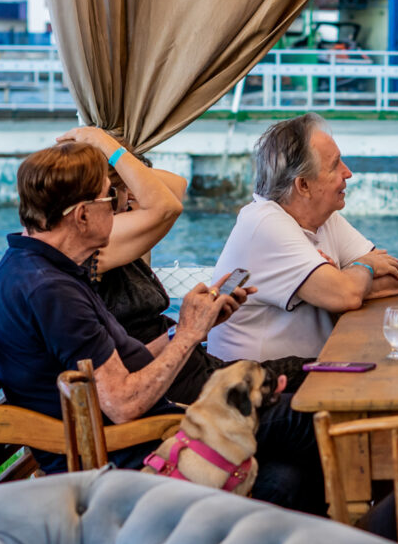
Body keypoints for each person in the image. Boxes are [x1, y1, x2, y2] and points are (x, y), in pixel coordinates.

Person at [0, 143, 325, 515]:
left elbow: (121, 368)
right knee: (313, 420)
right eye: (108, 197)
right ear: (81, 216)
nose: (117, 206)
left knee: (292, 471)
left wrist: (197, 326)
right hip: (139, 456)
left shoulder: (38, 269)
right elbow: (124, 404)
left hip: (152, 436)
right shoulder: (50, 291)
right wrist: (190, 334)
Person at [56, 127, 310, 403]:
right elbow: (167, 204)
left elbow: (175, 186)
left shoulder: (116, 231)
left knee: (311, 371)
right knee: (308, 386)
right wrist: (105, 146)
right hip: (167, 386)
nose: (131, 199)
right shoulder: (95, 244)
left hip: (183, 366)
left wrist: (114, 158)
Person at [207, 113, 398, 362]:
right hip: (252, 386)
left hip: (308, 371)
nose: (348, 173)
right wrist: (361, 268)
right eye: (335, 166)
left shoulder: (324, 216)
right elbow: (346, 295)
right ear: (303, 186)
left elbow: (394, 280)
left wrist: (339, 282)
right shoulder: (264, 223)